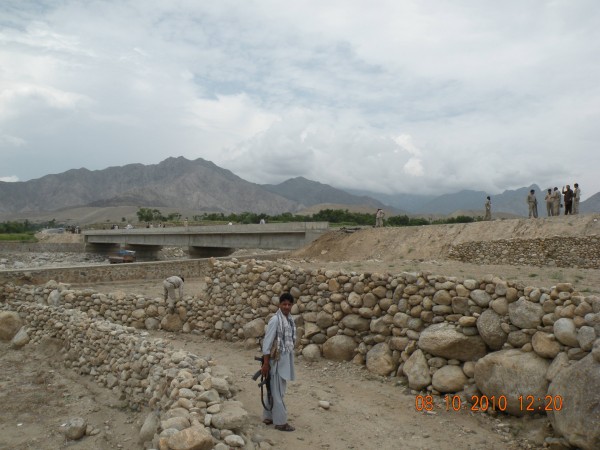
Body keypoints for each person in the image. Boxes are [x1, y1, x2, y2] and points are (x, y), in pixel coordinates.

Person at [261, 292, 297, 432]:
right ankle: (281, 422)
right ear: (279, 305)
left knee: (273, 389)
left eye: (289, 304)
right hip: (275, 362)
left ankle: (268, 416)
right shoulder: (276, 320)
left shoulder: (290, 320)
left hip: (284, 360)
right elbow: (267, 344)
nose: (286, 306)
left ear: (292, 305)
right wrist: (265, 364)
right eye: (284, 304)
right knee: (278, 392)